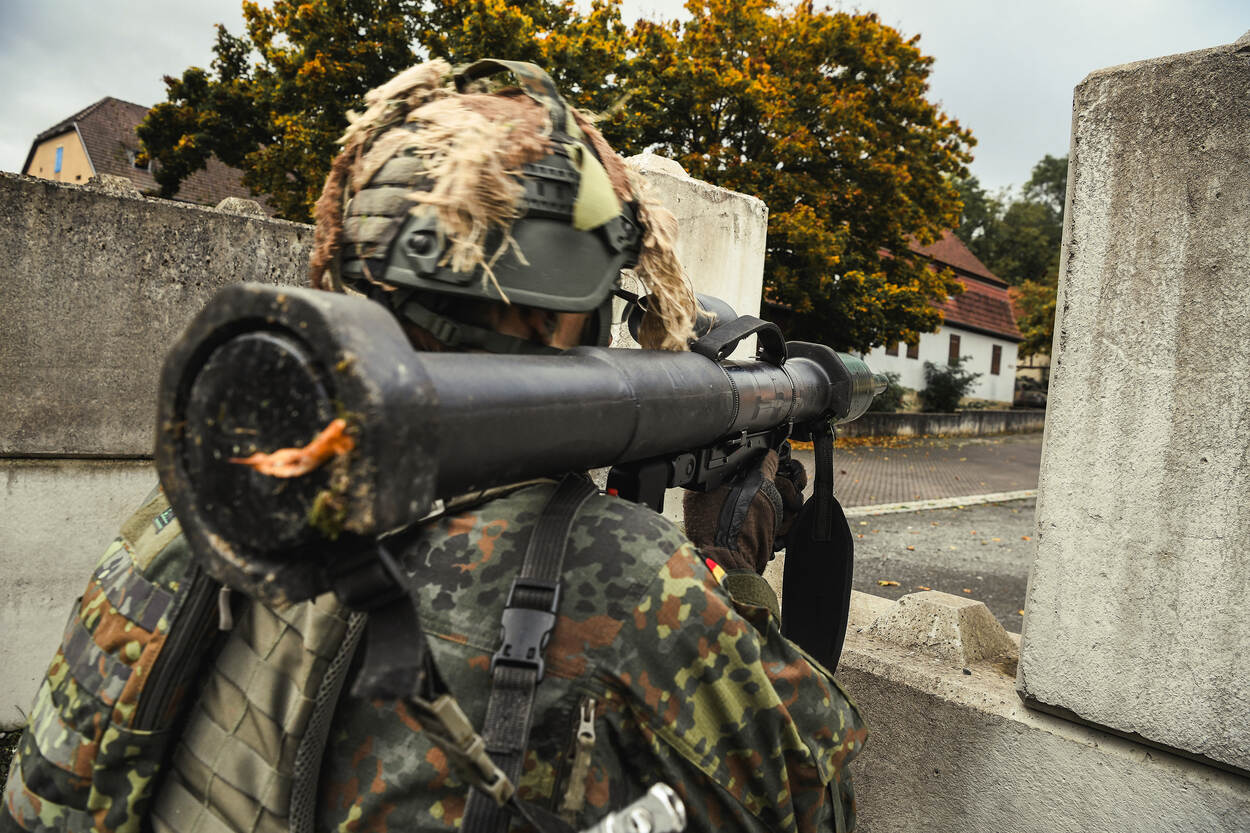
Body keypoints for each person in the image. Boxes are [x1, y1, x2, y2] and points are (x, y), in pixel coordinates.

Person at [2, 59, 864, 833]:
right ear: (563, 312)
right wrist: (728, 556)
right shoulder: (631, 584)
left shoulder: (217, 492)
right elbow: (816, 805)